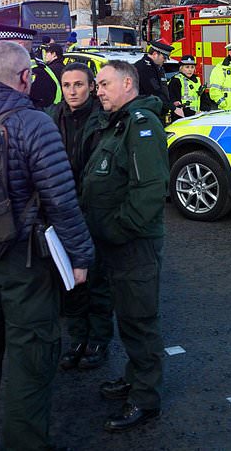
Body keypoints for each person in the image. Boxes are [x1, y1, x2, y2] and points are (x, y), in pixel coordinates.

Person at [0, 39, 95, 451]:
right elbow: (61, 200)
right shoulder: (32, 124)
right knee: (30, 357)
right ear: (25, 78)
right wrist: (81, 257)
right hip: (21, 259)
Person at [81, 60, 170, 432]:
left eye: (103, 84)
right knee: (128, 317)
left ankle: (145, 399)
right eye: (97, 85)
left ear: (128, 84)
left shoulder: (141, 125)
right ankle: (135, 377)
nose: (97, 91)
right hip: (115, 243)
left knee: (139, 320)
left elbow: (150, 190)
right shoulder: (117, 122)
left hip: (132, 243)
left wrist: (119, 229)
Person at [46, 62, 113, 371]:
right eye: (67, 85)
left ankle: (98, 338)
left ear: (90, 87)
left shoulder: (103, 119)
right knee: (70, 279)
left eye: (79, 85)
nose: (72, 90)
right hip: (62, 208)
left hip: (93, 208)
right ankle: (76, 337)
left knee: (97, 277)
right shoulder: (50, 117)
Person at [134, 40, 173, 118]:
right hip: (146, 113)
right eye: (164, 57)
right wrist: (172, 107)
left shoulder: (157, 67)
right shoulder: (144, 68)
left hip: (155, 111)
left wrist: (171, 103)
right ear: (155, 54)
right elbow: (155, 91)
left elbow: (163, 90)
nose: (165, 60)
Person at [168, 55, 202, 119]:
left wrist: (204, 111)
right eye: (187, 67)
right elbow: (175, 103)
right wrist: (193, 113)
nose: (190, 70)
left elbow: (203, 98)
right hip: (181, 117)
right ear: (181, 68)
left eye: (192, 67)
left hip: (196, 116)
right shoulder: (176, 81)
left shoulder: (197, 80)